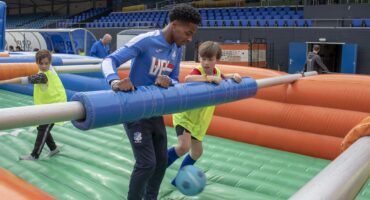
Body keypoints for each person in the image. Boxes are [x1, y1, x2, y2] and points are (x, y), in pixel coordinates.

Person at [101, 4, 201, 200]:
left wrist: (168, 81)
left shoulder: (176, 49)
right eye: (188, 33)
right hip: (135, 111)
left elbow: (174, 78)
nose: (189, 39)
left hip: (155, 111)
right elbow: (108, 60)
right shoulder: (146, 41)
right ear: (174, 24)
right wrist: (114, 81)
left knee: (161, 160)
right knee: (146, 164)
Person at [167, 41, 242, 185]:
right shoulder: (198, 71)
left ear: (217, 59)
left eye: (210, 59)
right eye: (203, 58)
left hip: (199, 121)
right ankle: (157, 168)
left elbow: (224, 77)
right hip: (185, 117)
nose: (206, 63)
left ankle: (178, 180)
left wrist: (235, 75)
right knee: (184, 146)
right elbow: (188, 79)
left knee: (197, 152)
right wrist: (208, 78)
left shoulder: (217, 73)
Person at [0, 50, 67, 160]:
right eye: (41, 63)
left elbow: (24, 80)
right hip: (49, 105)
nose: (44, 66)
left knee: (43, 129)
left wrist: (3, 82)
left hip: (55, 107)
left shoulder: (43, 76)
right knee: (42, 128)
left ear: (50, 62)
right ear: (37, 62)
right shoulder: (50, 69)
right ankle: (53, 148)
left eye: (46, 63)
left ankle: (35, 155)